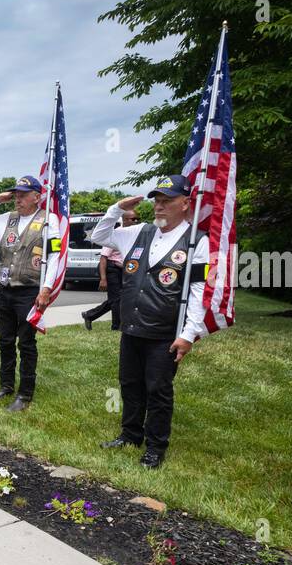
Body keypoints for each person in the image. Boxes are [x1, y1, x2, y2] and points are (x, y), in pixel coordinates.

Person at [89, 174, 210, 469]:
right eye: (157, 201)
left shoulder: (196, 241)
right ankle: (131, 434)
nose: (159, 207)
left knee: (157, 389)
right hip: (132, 327)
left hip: (164, 332)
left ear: (185, 203)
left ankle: (156, 446)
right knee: (129, 384)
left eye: (167, 201)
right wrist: (116, 209)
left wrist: (189, 333)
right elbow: (98, 236)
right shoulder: (139, 232)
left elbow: (197, 291)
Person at [0, 174, 62, 411]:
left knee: (27, 343)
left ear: (37, 197)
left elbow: (53, 258)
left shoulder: (48, 220)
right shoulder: (5, 219)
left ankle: (25, 393)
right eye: (16, 195)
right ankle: (6, 386)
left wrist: (46, 289)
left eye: (23, 195)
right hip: (5, 290)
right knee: (5, 341)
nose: (17, 199)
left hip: (29, 291)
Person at [82, 207, 137, 330]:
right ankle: (116, 326)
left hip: (125, 270)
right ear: (125, 220)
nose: (136, 221)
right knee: (116, 299)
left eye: (137, 219)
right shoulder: (116, 234)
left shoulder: (133, 234)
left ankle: (89, 315)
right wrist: (103, 279)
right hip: (112, 268)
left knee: (118, 298)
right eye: (133, 219)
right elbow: (103, 257)